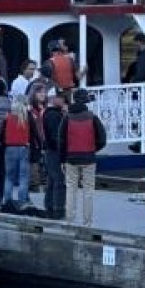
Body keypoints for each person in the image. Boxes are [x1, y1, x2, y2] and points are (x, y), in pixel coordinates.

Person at [60, 88, 108, 226]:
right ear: (86, 101)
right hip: (89, 158)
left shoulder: (66, 118)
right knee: (88, 191)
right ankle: (87, 223)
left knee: (71, 189)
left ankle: (70, 220)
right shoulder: (92, 117)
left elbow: (61, 140)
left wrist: (62, 159)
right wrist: (94, 149)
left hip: (71, 158)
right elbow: (102, 139)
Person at [2, 92, 33, 210]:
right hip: (24, 147)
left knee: (9, 176)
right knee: (23, 177)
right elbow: (34, 132)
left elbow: (1, 132)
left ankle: (7, 201)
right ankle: (22, 201)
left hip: (10, 147)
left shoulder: (8, 116)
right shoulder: (27, 116)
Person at [40, 89, 67, 218]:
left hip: (50, 150)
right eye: (60, 97)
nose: (63, 100)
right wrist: (62, 149)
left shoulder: (52, 113)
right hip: (54, 151)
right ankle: (58, 209)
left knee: (52, 180)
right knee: (59, 180)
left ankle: (49, 207)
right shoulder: (53, 115)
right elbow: (54, 135)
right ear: (53, 98)